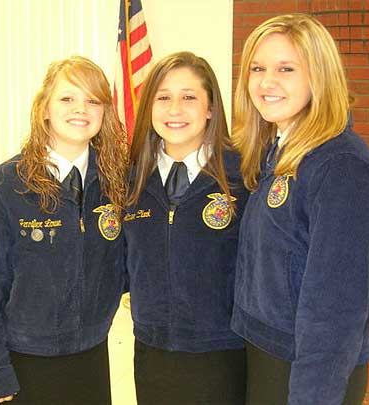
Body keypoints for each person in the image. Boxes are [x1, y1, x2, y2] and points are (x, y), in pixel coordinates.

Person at [231, 13, 369, 405]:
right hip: (268, 355)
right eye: (258, 68)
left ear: (319, 76)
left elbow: (337, 306)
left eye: (286, 69)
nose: (266, 82)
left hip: (310, 370)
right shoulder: (278, 150)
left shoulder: (341, 165)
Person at [0, 56, 127, 404]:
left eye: (93, 100)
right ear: (44, 108)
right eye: (67, 98)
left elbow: (125, 268)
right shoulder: (7, 185)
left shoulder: (116, 184)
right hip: (23, 362)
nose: (81, 109)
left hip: (91, 357)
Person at [124, 51, 249, 404]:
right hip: (152, 353)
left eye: (189, 97)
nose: (174, 110)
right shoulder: (131, 181)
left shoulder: (242, 178)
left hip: (222, 353)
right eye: (163, 98)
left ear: (210, 108)